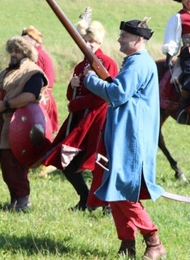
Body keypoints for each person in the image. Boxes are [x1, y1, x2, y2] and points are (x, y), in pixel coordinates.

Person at [83, 18, 166, 259]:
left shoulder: (138, 64)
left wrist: (90, 79)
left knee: (124, 193)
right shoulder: (134, 62)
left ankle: (154, 241)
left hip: (133, 137)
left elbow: (117, 94)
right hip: (125, 133)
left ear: (138, 40)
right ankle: (127, 243)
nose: (119, 39)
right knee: (115, 191)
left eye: (124, 36)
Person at [43, 13, 118, 211]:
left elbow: (105, 95)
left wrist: (77, 104)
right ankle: (85, 198)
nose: (89, 45)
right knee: (67, 163)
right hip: (80, 120)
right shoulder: (80, 65)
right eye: (86, 41)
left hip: (98, 120)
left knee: (98, 164)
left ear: (99, 42)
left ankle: (107, 205)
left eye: (92, 42)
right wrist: (72, 84)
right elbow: (71, 95)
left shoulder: (108, 63)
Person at [0, 36, 48, 212]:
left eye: (17, 51)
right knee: (6, 162)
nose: (13, 54)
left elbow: (30, 96)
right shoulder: (6, 73)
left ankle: (23, 200)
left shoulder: (33, 73)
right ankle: (14, 199)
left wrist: (5, 105)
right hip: (4, 124)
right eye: (11, 50)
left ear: (26, 52)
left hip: (23, 125)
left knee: (16, 164)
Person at [22, 25, 59, 134]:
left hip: (42, 96)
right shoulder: (31, 55)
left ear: (35, 41)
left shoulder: (39, 56)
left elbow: (47, 82)